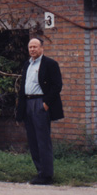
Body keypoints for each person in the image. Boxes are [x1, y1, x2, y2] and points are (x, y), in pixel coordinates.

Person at [15, 37, 64, 185]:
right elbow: (23, 87)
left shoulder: (50, 64)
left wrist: (46, 104)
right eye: (30, 47)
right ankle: (39, 172)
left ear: (42, 48)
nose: (32, 50)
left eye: (35, 47)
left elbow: (57, 85)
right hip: (28, 103)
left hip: (40, 104)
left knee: (43, 140)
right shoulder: (27, 65)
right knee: (33, 140)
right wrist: (21, 109)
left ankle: (47, 175)